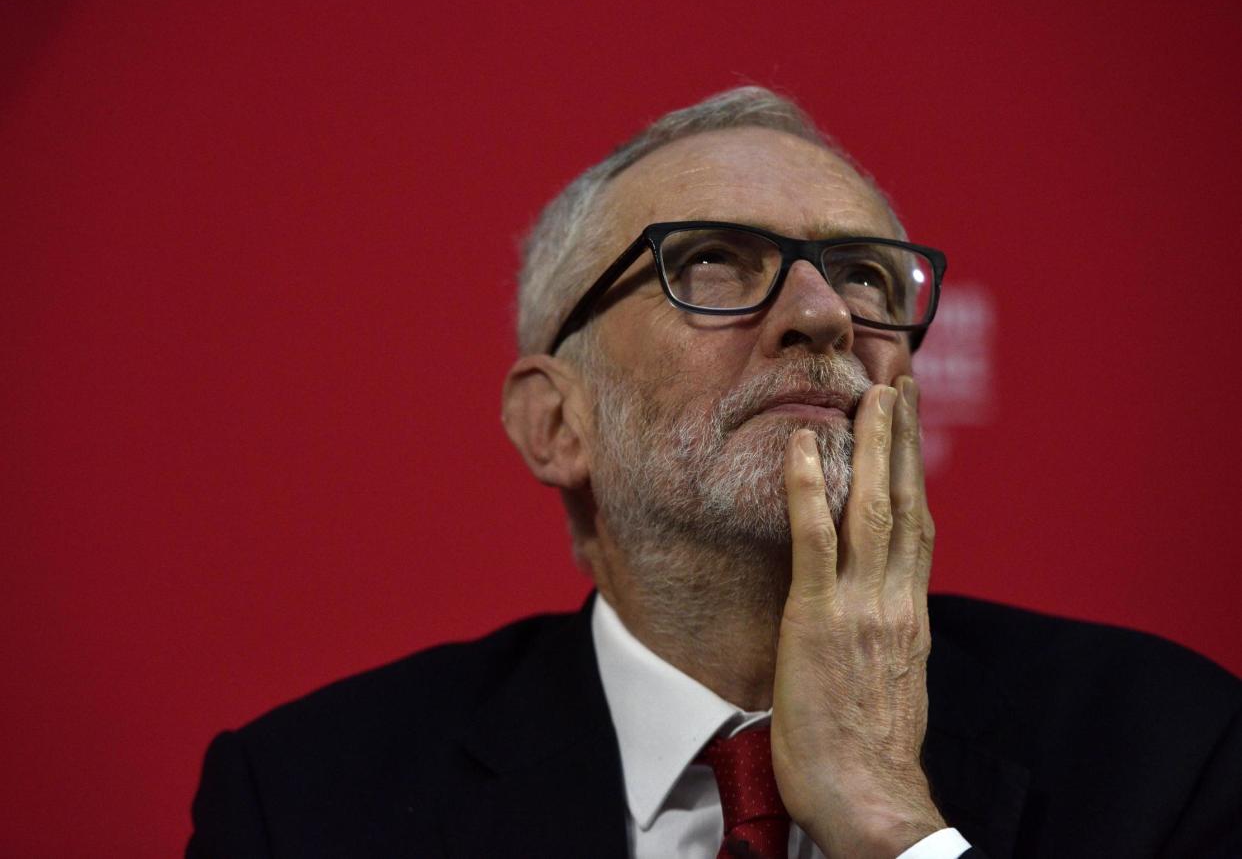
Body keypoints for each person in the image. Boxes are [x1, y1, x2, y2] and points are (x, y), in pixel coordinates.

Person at [187, 87, 1242, 858]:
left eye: (866, 275)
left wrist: (892, 826)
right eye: (709, 262)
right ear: (557, 421)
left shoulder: (1167, 750)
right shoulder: (311, 801)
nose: (824, 314)